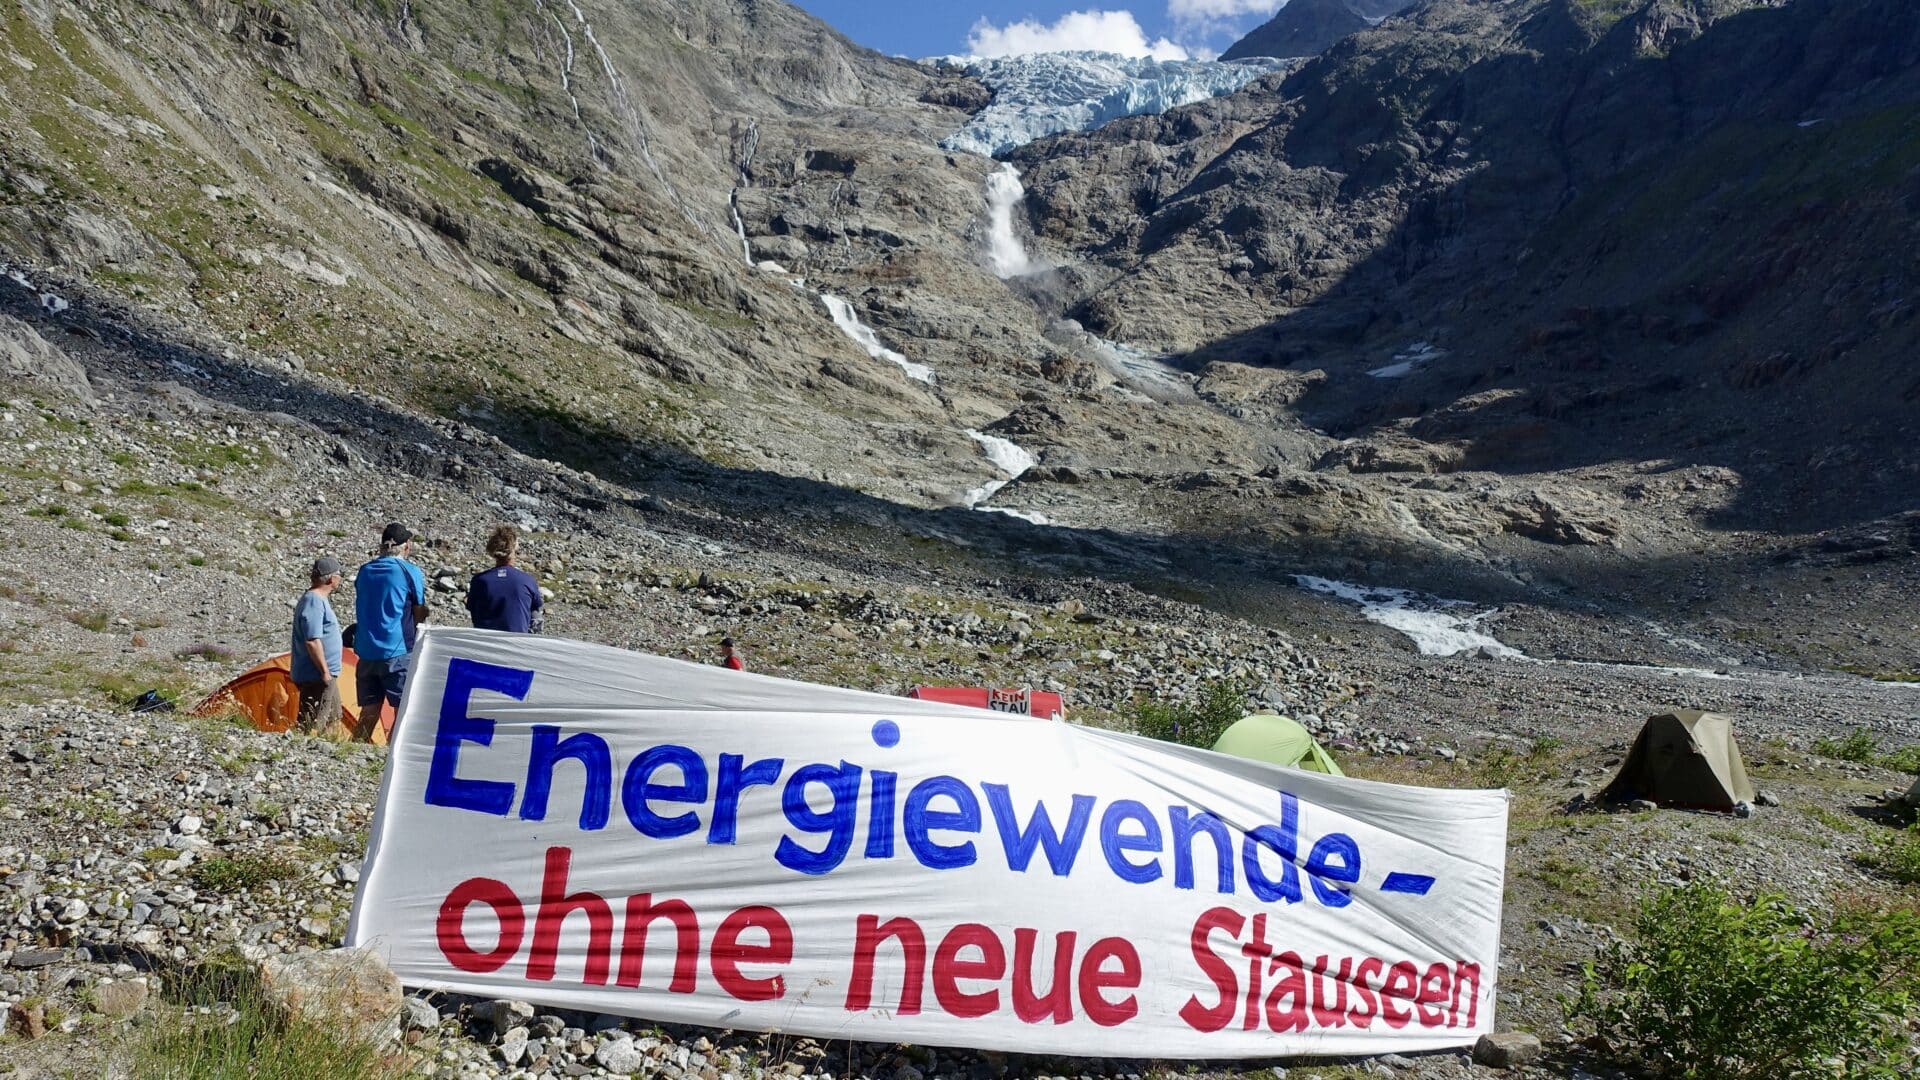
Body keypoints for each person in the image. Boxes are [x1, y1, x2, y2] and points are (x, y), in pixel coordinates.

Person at [353, 521, 428, 740]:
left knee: (369, 710)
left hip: (366, 651)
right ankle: (390, 753)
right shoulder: (409, 571)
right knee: (402, 710)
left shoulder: (365, 571)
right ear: (406, 546)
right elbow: (419, 609)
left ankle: (354, 749)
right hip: (397, 650)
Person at [291, 557, 344, 736]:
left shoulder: (318, 599)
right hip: (317, 674)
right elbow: (312, 640)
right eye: (339, 575)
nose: (340, 578)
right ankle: (304, 747)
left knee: (333, 716)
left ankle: (326, 747)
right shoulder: (313, 601)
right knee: (314, 721)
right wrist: (324, 672)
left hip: (326, 673)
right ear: (331, 579)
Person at [466, 524, 543, 633]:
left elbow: (472, 610)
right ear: (514, 549)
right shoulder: (527, 580)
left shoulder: (479, 580)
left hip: (485, 640)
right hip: (517, 640)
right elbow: (536, 612)